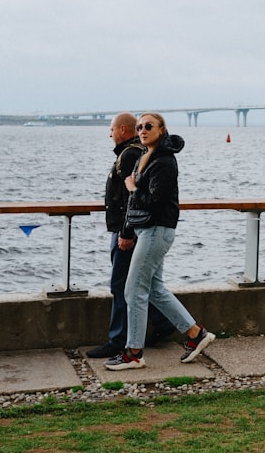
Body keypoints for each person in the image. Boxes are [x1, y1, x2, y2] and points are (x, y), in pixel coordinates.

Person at [105, 112, 216, 370]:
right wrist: (127, 231)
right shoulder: (145, 158)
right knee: (154, 289)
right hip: (145, 230)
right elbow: (133, 206)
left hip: (157, 230)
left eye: (149, 126)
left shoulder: (165, 162)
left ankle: (133, 352)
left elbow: (155, 201)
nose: (142, 130)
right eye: (140, 126)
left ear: (162, 130)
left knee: (133, 289)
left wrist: (133, 188)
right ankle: (195, 334)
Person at [87, 112, 177, 359]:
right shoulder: (136, 154)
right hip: (130, 229)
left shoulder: (130, 156)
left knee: (122, 286)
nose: (110, 133)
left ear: (122, 130)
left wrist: (125, 232)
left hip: (128, 231)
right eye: (140, 127)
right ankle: (163, 323)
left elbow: (131, 199)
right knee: (140, 284)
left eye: (112, 129)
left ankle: (118, 341)